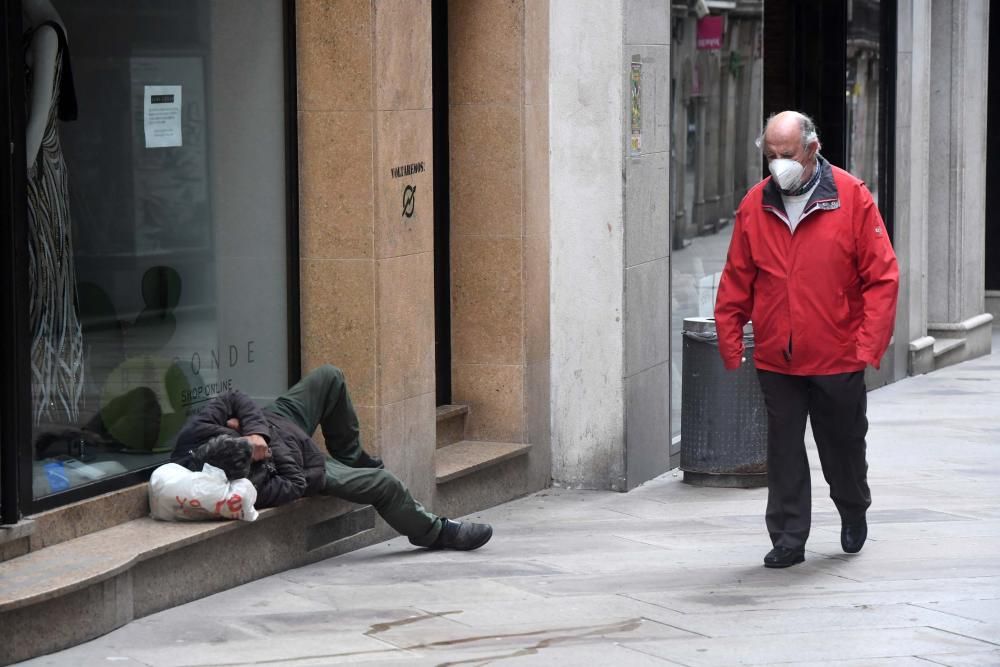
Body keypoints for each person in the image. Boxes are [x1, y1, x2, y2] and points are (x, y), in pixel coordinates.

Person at [714, 110, 899, 569]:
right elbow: (737, 277)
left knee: (843, 444)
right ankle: (788, 537)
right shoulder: (755, 204)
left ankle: (853, 509)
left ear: (812, 149)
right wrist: (730, 338)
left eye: (787, 154)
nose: (779, 165)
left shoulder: (853, 198)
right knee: (783, 451)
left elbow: (882, 277)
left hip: (837, 353)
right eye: (771, 156)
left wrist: (867, 346)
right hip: (778, 356)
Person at [170, 365, 493, 551]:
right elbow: (295, 484)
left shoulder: (195, 436)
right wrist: (271, 450)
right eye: (257, 455)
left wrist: (259, 435)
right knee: (384, 484)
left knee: (329, 376)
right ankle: (434, 532)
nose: (258, 450)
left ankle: (351, 457)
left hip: (279, 421)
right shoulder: (245, 488)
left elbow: (234, 396)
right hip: (308, 464)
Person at [23, 0, 85, 424]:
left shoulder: (46, 30)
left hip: (39, 173)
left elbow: (38, 117)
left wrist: (18, 174)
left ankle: (49, 404)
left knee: (44, 285)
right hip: (37, 169)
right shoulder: (37, 27)